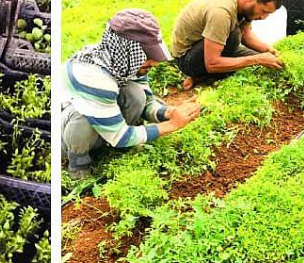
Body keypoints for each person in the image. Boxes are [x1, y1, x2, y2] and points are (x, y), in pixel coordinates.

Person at [61, 9, 202, 179]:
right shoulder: (94, 78)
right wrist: (172, 125)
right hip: (64, 133)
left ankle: (119, 148)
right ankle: (78, 164)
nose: (154, 63)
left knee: (135, 93)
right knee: (82, 114)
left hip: (105, 124)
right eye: (148, 57)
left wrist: (169, 113)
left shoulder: (125, 63)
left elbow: (146, 101)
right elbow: (119, 136)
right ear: (127, 50)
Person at [171, 0, 285, 91]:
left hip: (213, 44)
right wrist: (257, 59)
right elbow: (211, 63)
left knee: (265, 62)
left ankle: (215, 70)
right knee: (236, 38)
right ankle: (199, 76)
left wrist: (268, 50)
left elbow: (245, 33)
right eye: (264, 11)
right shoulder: (221, 13)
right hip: (187, 57)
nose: (264, 17)